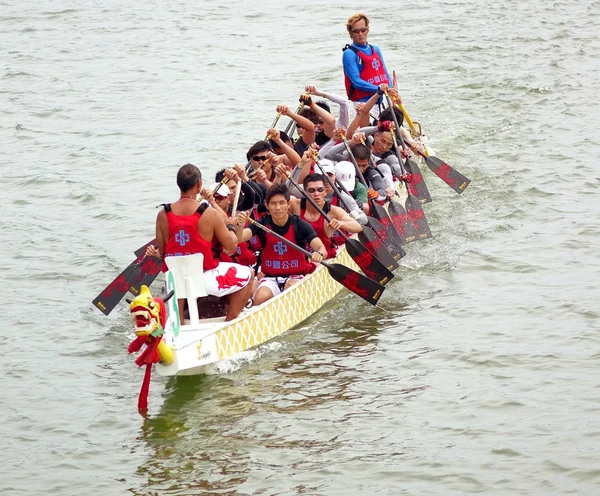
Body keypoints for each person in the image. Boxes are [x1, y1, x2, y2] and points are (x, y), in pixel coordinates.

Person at [146, 164, 254, 321]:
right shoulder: (209, 213)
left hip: (175, 281)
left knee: (178, 271)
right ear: (199, 185)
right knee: (249, 275)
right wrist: (230, 225)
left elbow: (163, 254)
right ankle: (229, 322)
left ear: (178, 184)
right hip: (204, 280)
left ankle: (180, 323)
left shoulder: (163, 214)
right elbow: (231, 246)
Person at [235, 183, 327, 306]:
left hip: (295, 276)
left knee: (291, 288)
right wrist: (240, 225)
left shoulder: (300, 225)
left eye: (281, 203)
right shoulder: (261, 224)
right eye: (273, 203)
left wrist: (319, 254)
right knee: (260, 297)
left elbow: (322, 248)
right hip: (271, 277)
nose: (278, 207)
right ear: (267, 206)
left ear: (288, 204)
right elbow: (238, 239)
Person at [289, 173, 362, 257]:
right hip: (300, 258)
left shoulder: (333, 211)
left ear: (325, 192)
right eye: (311, 190)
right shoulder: (294, 204)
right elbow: (277, 195)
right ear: (304, 192)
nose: (316, 194)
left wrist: (341, 223)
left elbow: (358, 227)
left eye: (320, 190)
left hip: (323, 259)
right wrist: (299, 166)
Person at [342, 12, 392, 124]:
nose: (360, 34)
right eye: (356, 31)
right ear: (351, 33)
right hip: (363, 104)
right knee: (370, 137)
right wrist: (379, 89)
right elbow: (356, 82)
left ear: (367, 30)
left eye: (363, 30)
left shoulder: (376, 49)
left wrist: (391, 88)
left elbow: (385, 73)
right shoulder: (349, 54)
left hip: (381, 101)